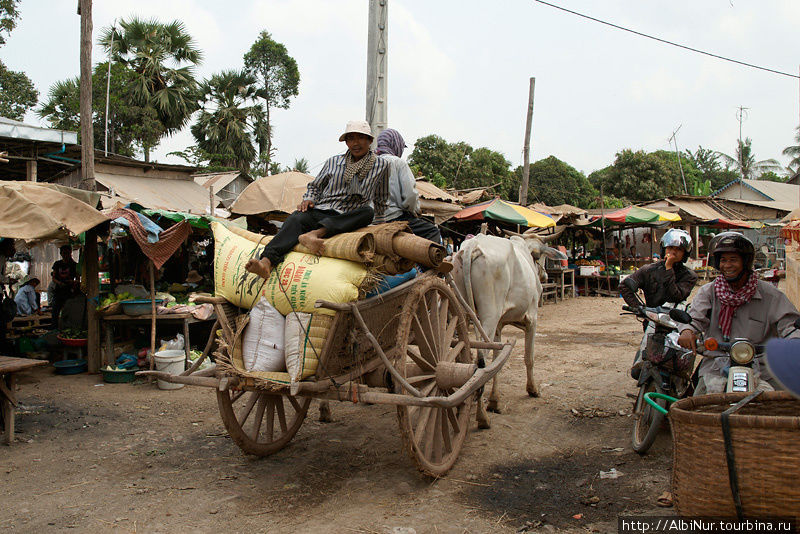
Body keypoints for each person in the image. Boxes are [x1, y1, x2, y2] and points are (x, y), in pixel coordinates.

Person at [246, 120, 389, 280]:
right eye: (351, 139)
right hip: (323, 211)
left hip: (349, 216)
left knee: (368, 212)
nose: (355, 143)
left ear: (369, 140)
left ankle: (314, 234)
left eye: (360, 138)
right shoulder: (334, 162)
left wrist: (382, 225)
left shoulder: (381, 165)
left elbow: (381, 197)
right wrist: (308, 199)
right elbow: (315, 187)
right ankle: (266, 262)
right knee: (296, 218)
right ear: (346, 142)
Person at [677, 232, 800, 395]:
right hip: (716, 365)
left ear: (746, 262)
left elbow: (790, 325)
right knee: (696, 411)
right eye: (723, 260)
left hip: (762, 368)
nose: (727, 265)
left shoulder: (770, 294)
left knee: (784, 408)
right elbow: (694, 318)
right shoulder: (709, 291)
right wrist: (687, 330)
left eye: (733, 260)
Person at [620, 228, 698, 378]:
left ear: (685, 253)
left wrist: (668, 268)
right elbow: (625, 286)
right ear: (664, 249)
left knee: (678, 364)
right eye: (670, 248)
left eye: (678, 249)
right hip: (653, 320)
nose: (673, 252)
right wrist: (640, 309)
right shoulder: (648, 270)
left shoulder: (690, 276)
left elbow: (675, 295)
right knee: (640, 367)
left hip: (677, 321)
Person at [373, 128, 442, 244]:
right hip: (394, 217)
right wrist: (415, 210)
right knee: (432, 231)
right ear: (395, 145)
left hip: (372, 220)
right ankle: (427, 262)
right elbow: (410, 195)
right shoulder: (398, 163)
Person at [51, 244, 79, 328]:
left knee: (69, 312)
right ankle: (55, 328)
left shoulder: (74, 265)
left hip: (69, 292)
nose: (65, 255)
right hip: (58, 291)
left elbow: (77, 279)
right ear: (61, 254)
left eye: (67, 253)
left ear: (70, 253)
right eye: (64, 253)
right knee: (55, 312)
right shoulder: (57, 264)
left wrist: (72, 282)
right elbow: (54, 278)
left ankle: (68, 328)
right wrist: (59, 283)